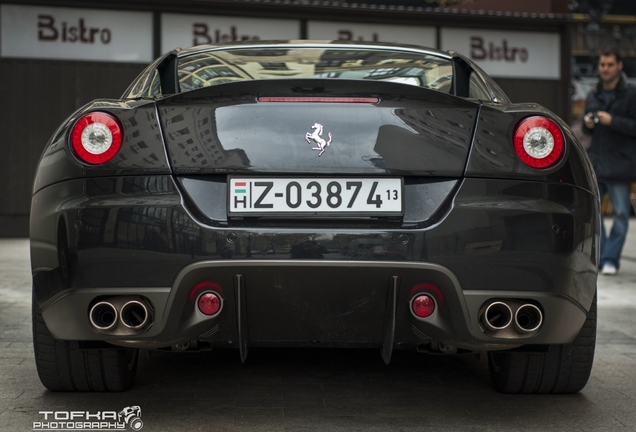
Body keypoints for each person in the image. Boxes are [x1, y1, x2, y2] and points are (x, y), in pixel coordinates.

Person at [583, 47, 636, 275]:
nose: (605, 69)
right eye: (602, 65)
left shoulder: (632, 94)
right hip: (597, 163)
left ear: (619, 66)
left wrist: (612, 121)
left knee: (622, 214)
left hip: (621, 165)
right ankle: (603, 257)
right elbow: (587, 129)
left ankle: (610, 260)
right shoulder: (592, 94)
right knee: (595, 214)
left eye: (610, 65)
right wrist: (588, 123)